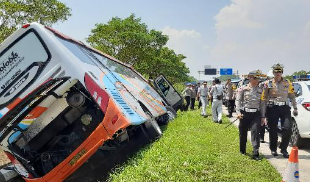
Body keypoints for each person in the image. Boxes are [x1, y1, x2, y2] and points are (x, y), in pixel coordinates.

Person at [261, 63, 298, 158]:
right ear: (273, 72)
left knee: (287, 128)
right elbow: (264, 98)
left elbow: (292, 96)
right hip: (272, 108)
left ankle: (283, 148)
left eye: (280, 71)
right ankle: (273, 149)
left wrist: (295, 108)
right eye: (276, 72)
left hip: (284, 108)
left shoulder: (287, 82)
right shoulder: (267, 83)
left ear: (282, 72)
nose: (278, 73)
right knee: (272, 129)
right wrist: (263, 113)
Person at [235, 70, 264, 160]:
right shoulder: (243, 89)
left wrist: (263, 116)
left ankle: (256, 152)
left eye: (258, 77)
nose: (257, 79)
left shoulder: (261, 90)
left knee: (255, 132)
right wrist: (238, 112)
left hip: (256, 114)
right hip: (244, 114)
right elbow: (238, 101)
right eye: (255, 77)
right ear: (249, 78)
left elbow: (262, 104)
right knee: (243, 133)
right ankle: (242, 150)